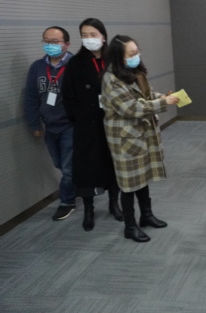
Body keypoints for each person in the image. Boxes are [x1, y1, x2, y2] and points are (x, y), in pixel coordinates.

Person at [101, 35, 179, 242]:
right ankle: (130, 225)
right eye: (131, 54)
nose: (136, 56)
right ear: (118, 57)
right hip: (125, 139)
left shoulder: (135, 72)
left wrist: (163, 97)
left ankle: (146, 215)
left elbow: (147, 95)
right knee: (129, 184)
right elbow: (131, 108)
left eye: (137, 52)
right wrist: (163, 103)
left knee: (142, 178)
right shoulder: (111, 79)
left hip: (141, 134)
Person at [62, 18, 122, 232]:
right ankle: (89, 209)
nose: (89, 39)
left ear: (103, 36)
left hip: (113, 122)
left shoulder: (114, 60)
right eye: (84, 35)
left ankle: (114, 203)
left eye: (93, 34)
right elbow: (68, 95)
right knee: (86, 168)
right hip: (86, 125)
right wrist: (78, 117)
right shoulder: (75, 62)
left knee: (113, 163)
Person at [25, 26, 76, 221]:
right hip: (49, 125)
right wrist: (34, 124)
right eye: (46, 41)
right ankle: (77, 184)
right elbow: (31, 97)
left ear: (66, 44)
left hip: (70, 126)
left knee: (68, 168)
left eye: (55, 42)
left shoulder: (76, 66)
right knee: (59, 164)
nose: (50, 45)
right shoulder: (37, 67)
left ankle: (67, 201)